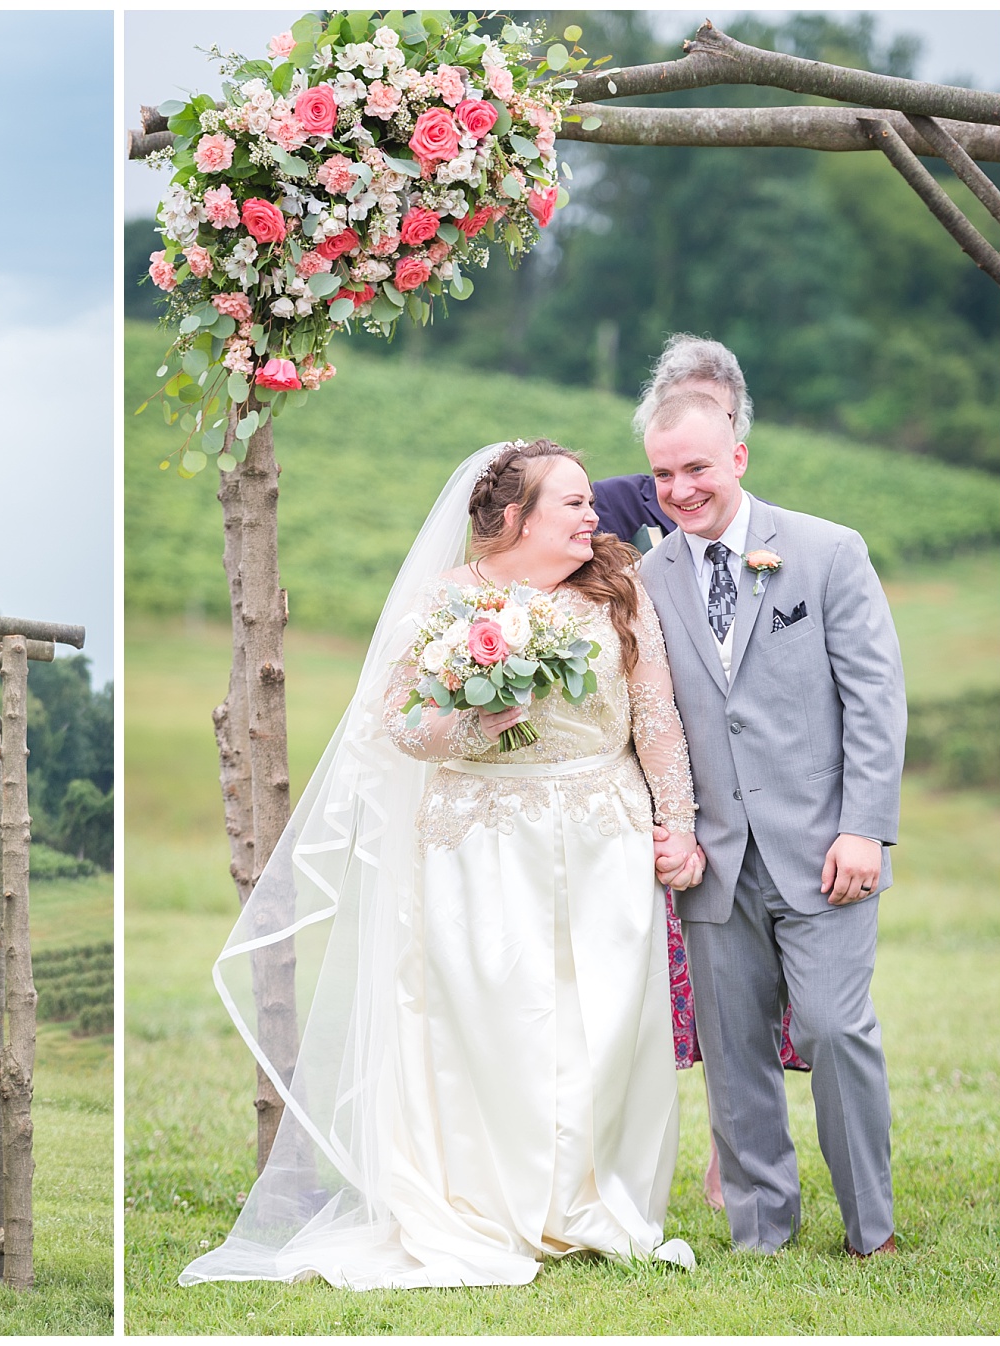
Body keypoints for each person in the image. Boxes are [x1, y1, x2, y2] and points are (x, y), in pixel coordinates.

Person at [181, 439, 701, 1290]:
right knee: (489, 1023)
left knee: (603, 1024)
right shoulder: (447, 604)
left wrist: (675, 825)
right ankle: (488, 1207)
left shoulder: (619, 584)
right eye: (570, 503)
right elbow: (401, 725)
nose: (593, 515)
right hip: (480, 837)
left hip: (607, 832)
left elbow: (658, 716)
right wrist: (482, 720)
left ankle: (589, 1206)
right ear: (511, 519)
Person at [639, 390, 904, 1259]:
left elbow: (874, 698)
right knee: (733, 1048)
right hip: (713, 861)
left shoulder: (827, 552)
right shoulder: (648, 581)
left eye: (697, 468)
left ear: (739, 458)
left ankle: (872, 1228)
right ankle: (761, 1230)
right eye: (664, 473)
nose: (681, 489)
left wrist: (865, 826)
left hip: (826, 848)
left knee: (834, 1028)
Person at [597, 333, 805, 1212]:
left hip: (759, 799)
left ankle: (740, 1152)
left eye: (718, 416)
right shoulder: (609, 511)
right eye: (685, 409)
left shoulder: (768, 534)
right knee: (692, 992)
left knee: (768, 991)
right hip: (657, 793)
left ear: (735, 431)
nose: (688, 473)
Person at [592, 334, 754, 557]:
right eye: (676, 410)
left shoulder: (778, 529)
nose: (691, 427)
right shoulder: (611, 503)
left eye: (712, 413)